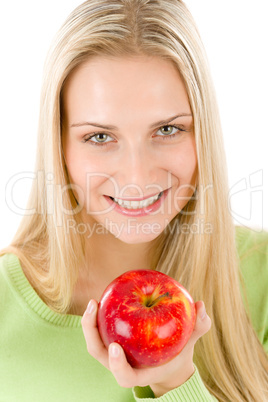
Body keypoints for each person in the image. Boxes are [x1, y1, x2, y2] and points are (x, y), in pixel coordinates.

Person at [0, 0, 267, 401]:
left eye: (168, 129)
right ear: (58, 146)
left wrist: (176, 383)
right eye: (100, 137)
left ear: (203, 134)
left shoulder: (261, 276)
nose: (137, 177)